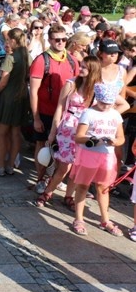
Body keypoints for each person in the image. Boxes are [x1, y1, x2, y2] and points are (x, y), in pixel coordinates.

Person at [40, 56, 103, 209]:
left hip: (86, 129)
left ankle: (69, 196)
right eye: (80, 66)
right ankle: (48, 191)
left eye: (84, 67)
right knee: (64, 166)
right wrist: (52, 132)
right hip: (68, 127)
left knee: (78, 166)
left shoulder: (99, 88)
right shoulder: (71, 84)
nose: (80, 69)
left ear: (93, 71)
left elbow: (114, 105)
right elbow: (60, 108)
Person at [70, 83, 125, 237]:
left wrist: (115, 141)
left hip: (107, 156)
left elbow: (121, 138)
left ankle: (105, 220)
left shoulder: (115, 114)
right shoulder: (88, 113)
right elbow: (78, 136)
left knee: (103, 188)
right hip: (89, 155)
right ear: (97, 100)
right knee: (82, 186)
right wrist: (92, 138)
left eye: (109, 104)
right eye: (102, 103)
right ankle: (79, 219)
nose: (106, 107)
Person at [29, 24, 79, 192]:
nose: (60, 42)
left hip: (66, 114)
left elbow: (78, 85)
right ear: (49, 40)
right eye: (57, 39)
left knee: (61, 147)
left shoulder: (72, 60)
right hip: (45, 111)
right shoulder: (41, 60)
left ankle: (56, 177)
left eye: (64, 39)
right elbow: (33, 91)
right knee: (42, 145)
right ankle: (40, 179)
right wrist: (36, 118)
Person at [0, 28, 31, 176]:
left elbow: (3, 82)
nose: (6, 42)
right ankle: (11, 165)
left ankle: (0, 166)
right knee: (16, 132)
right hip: (22, 96)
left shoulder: (11, 58)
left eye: (7, 40)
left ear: (13, 40)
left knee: (2, 132)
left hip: (9, 97)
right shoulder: (26, 55)